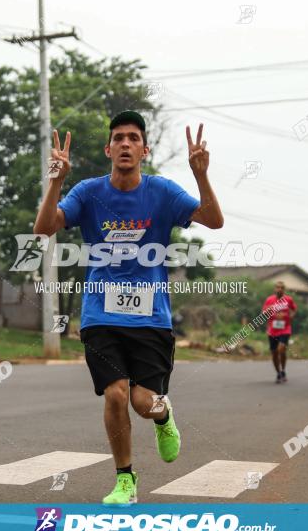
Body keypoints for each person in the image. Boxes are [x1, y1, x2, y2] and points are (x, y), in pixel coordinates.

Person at [33, 111, 224, 506]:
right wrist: (56, 179)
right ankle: (125, 479)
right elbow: (44, 226)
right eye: (118, 138)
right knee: (116, 395)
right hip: (100, 316)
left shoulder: (163, 192)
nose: (125, 143)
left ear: (144, 149)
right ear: (108, 149)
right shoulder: (88, 192)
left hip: (151, 318)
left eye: (133, 138)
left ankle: (163, 414)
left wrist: (201, 174)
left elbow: (214, 220)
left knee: (142, 402)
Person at [263, 281, 297, 384]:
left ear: (284, 289)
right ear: (275, 289)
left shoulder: (288, 300)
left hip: (285, 329)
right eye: (277, 287)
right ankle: (279, 373)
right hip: (272, 330)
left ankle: (283, 369)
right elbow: (264, 313)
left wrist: (291, 316)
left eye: (281, 288)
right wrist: (271, 312)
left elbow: (294, 309)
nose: (279, 289)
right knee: (274, 353)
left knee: (281, 349)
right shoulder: (270, 300)